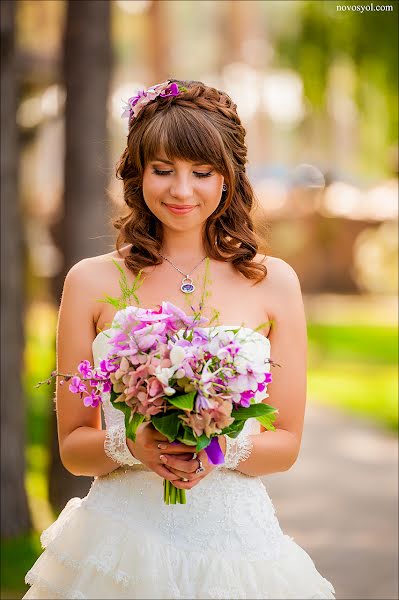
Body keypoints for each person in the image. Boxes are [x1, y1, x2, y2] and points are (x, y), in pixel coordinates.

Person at [23, 79, 335, 599]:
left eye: (202, 172)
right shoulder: (90, 281)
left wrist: (211, 446)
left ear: (229, 177)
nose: (181, 190)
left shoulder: (273, 281)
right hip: (118, 540)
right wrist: (134, 446)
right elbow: (75, 447)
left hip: (237, 548)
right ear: (137, 173)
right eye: (162, 170)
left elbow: (285, 444)